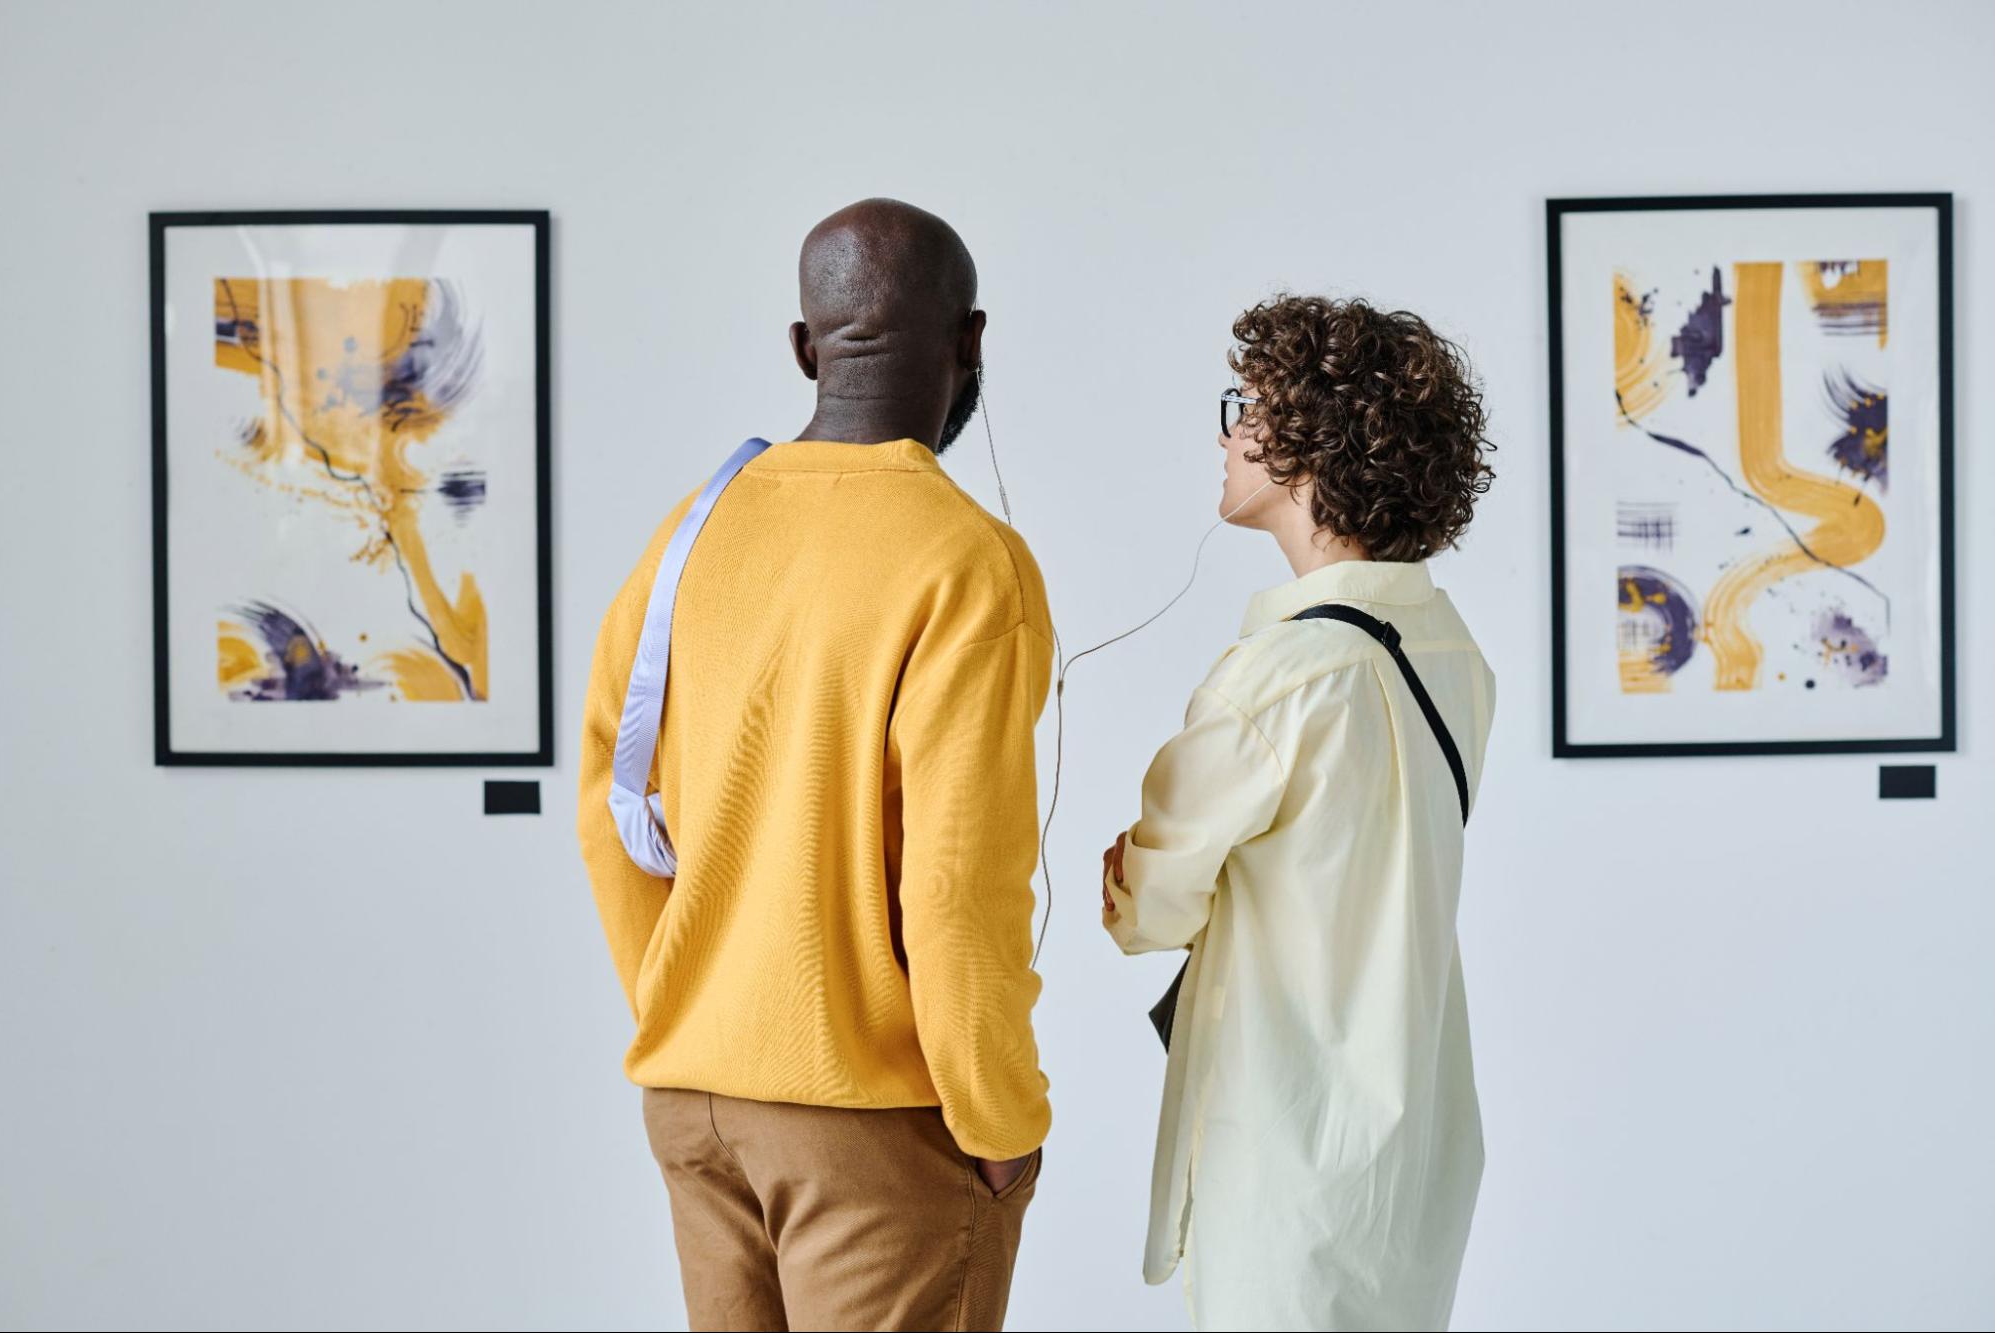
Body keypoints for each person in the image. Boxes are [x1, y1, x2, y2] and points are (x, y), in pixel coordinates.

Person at [578, 199, 1052, 1332]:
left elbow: (609, 810)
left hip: (696, 1103)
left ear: (804, 349)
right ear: (970, 340)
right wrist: (999, 1123)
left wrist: (690, 1004)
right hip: (867, 1121)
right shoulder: (967, 562)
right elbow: (953, 887)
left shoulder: (688, 533)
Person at [1100, 294, 1498, 1331]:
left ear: (1312, 447)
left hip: (1287, 1144)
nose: (1230, 432)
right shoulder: (1454, 658)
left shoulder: (1278, 675)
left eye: (1250, 406)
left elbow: (1145, 909)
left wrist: (1130, 873)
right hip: (1411, 1147)